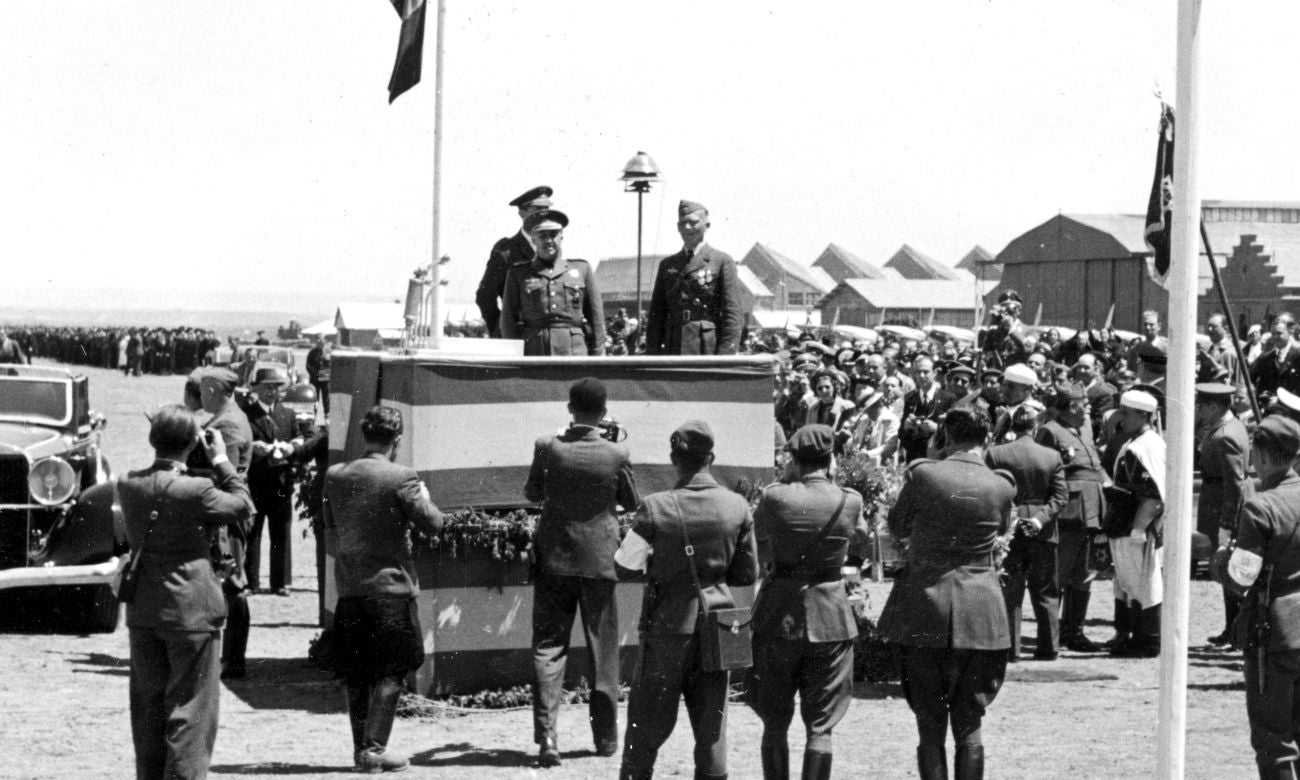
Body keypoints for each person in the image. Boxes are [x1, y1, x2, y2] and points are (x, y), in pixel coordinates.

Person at [80, 405, 253, 779]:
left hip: (145, 609)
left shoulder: (128, 482)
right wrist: (221, 459)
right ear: (193, 443)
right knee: (191, 710)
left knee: (148, 709)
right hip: (192, 609)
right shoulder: (198, 489)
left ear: (152, 439)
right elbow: (243, 504)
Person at [613, 420, 758, 780]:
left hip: (667, 627)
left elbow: (623, 566)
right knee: (712, 732)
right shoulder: (737, 507)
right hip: (719, 628)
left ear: (673, 458)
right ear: (712, 457)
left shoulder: (656, 506)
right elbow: (745, 574)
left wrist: (660, 566)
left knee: (644, 728)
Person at [878, 404, 1014, 780]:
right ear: (986, 439)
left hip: (926, 605)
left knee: (929, 719)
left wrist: (934, 458)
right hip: (982, 611)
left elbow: (897, 524)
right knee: (970, 720)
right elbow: (1001, 530)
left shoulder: (924, 475)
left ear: (944, 437)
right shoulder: (1001, 483)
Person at [524, 378, 638, 766]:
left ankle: (548, 737)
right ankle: (605, 738)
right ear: (604, 412)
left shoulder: (548, 446)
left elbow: (532, 493)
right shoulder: (617, 452)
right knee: (603, 651)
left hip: (554, 558)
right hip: (600, 560)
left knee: (548, 648)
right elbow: (631, 500)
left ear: (569, 409)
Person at [324, 405, 443, 773]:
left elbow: (330, 533)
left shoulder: (335, 475)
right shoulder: (403, 477)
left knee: (358, 672)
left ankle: (363, 749)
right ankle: (374, 749)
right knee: (395, 667)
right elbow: (433, 523)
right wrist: (423, 493)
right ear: (398, 439)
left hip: (351, 588)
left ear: (365, 435)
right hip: (391, 587)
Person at [750, 424, 869, 780]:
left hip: (779, 612)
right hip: (830, 613)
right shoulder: (850, 500)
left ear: (793, 460)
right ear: (830, 458)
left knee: (774, 722)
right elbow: (860, 541)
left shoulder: (775, 497)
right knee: (821, 726)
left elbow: (756, 540)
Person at [1216, 415, 1300, 780]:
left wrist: (1220, 560)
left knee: (1274, 740)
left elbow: (1241, 577)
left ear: (1261, 455)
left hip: (1276, 633)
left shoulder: (1261, 506)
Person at [985, 405, 1068, 661]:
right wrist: (1039, 519)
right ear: (1035, 426)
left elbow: (990, 491)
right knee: (1046, 591)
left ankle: (1011, 649)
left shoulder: (996, 454)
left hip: (1008, 528)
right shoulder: (1051, 456)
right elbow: (1060, 496)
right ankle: (1048, 648)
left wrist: (1012, 516)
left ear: (1012, 426)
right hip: (1042, 530)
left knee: (1010, 590)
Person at [190, 367, 255, 679]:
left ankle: (233, 659)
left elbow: (225, 474)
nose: (200, 394)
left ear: (214, 389)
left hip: (226, 517)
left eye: (203, 389)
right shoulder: (229, 416)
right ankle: (231, 657)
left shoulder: (227, 423)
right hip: (226, 513)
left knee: (232, 581)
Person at [1034, 383, 1109, 652]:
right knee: (1057, 576)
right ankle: (1051, 635)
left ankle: (1074, 632)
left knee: (1083, 575)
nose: (1088, 407)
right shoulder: (1050, 431)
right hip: (1067, 515)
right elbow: (1044, 473)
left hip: (1090, 514)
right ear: (1073, 406)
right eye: (1084, 402)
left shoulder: (1084, 430)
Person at [1104, 389, 1166, 658]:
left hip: (1135, 525)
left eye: (1127, 414)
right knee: (1129, 582)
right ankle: (1135, 635)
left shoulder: (1144, 447)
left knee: (1144, 583)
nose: (1121, 418)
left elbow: (1153, 496)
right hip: (1124, 521)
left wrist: (1139, 528)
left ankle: (1148, 639)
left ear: (1144, 415)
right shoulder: (1135, 441)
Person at [244, 366, 313, 597]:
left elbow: (301, 437)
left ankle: (280, 582)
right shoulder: (246, 415)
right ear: (256, 389)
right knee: (252, 532)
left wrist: (291, 447)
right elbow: (240, 443)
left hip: (282, 481)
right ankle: (251, 582)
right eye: (267, 387)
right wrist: (255, 448)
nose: (272, 392)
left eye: (275, 387)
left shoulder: (287, 413)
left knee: (281, 532)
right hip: (255, 480)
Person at [500, 209, 606, 356]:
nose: (548, 240)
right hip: (534, 351)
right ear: (533, 239)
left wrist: (598, 352)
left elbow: (596, 317)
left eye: (553, 234)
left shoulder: (582, 269)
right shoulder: (518, 273)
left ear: (561, 236)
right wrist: (512, 354)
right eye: (542, 235)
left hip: (574, 351)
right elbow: (507, 320)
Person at [644, 200, 744, 356]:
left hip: (706, 347)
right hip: (672, 347)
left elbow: (732, 314)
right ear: (677, 227)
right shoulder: (667, 265)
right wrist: (652, 355)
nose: (687, 228)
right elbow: (657, 315)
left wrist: (725, 356)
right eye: (683, 223)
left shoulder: (721, 261)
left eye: (693, 222)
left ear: (707, 226)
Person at [1195, 382, 1253, 648]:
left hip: (1224, 508)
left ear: (1215, 406)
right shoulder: (1222, 429)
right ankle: (1233, 629)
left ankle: (1238, 631)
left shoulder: (1226, 434)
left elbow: (1235, 483)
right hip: (1216, 503)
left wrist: (1227, 524)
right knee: (1226, 572)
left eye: (1202, 406)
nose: (1198, 410)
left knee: (1232, 572)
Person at [477, 185, 552, 337]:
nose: (544, 215)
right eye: (537, 209)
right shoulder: (506, 252)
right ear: (522, 213)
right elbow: (485, 297)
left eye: (547, 210)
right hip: (519, 336)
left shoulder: (553, 248)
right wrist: (502, 330)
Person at [900, 356, 957, 463]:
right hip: (914, 457)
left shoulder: (948, 398)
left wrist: (937, 428)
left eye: (926, 372)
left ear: (934, 373)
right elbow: (901, 434)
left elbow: (954, 433)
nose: (921, 376)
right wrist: (906, 425)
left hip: (937, 458)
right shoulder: (910, 398)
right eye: (918, 372)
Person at [1251, 314, 1300, 407]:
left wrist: (1280, 400)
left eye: (1279, 333)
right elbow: (1252, 378)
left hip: (1293, 411)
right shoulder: (1266, 357)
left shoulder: (1297, 355)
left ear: (1289, 332)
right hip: (1270, 411)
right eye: (1273, 334)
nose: (1275, 337)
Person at [305, 335, 332, 415]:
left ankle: (327, 415)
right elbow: (308, 365)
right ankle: (313, 415)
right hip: (314, 379)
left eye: (321, 340)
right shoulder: (312, 352)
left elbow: (330, 364)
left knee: (326, 399)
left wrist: (324, 374)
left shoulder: (327, 352)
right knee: (314, 399)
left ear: (324, 341)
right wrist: (314, 374)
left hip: (325, 379)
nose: (319, 342)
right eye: (318, 340)